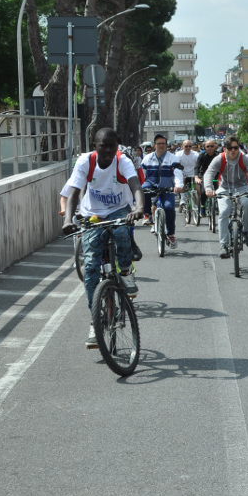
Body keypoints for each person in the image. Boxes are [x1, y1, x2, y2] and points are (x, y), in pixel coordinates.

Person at [62, 128, 145, 349]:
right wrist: (67, 220)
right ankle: (96, 318)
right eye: (103, 145)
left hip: (119, 209)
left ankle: (125, 271)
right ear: (94, 145)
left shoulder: (122, 161)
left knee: (120, 231)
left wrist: (139, 207)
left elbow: (136, 186)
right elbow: (73, 193)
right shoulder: (85, 162)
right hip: (92, 213)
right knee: (90, 269)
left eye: (112, 145)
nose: (108, 150)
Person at [203, 136, 248, 258]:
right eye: (230, 148)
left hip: (242, 187)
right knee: (224, 212)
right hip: (224, 188)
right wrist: (208, 188)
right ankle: (223, 245)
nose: (233, 150)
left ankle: (246, 231)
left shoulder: (243, 157)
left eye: (236, 147)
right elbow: (209, 173)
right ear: (225, 149)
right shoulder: (219, 159)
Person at [140, 134, 185, 249]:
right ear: (154, 145)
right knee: (142, 190)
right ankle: (147, 215)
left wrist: (178, 185)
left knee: (169, 208)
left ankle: (170, 234)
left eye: (163, 143)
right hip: (151, 184)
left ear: (167, 145)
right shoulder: (147, 158)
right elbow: (142, 175)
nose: (161, 146)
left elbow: (178, 173)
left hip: (167, 187)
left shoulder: (172, 158)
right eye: (158, 143)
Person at [195, 139, 220, 219]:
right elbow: (197, 166)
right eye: (208, 146)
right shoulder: (202, 156)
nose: (210, 148)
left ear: (215, 147)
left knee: (219, 191)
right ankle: (202, 207)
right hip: (204, 176)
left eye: (212, 146)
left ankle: (217, 206)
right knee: (203, 191)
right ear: (205, 147)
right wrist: (196, 177)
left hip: (216, 176)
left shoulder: (218, 155)